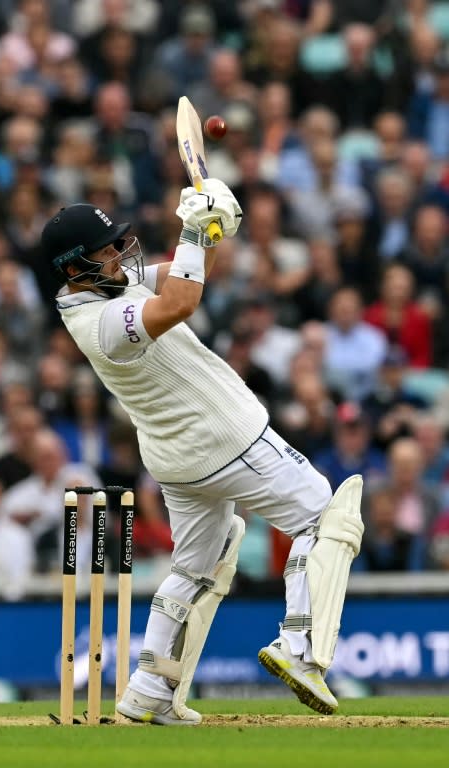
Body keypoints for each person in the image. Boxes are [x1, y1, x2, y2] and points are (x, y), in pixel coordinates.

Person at [41, 178, 364, 725]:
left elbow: (183, 274)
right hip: (227, 438)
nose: (122, 255)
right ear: (75, 267)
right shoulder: (100, 325)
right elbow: (183, 302)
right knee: (325, 517)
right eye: (108, 250)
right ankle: (300, 648)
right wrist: (192, 226)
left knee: (196, 567)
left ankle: (149, 690)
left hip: (178, 460)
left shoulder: (108, 287)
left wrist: (211, 230)